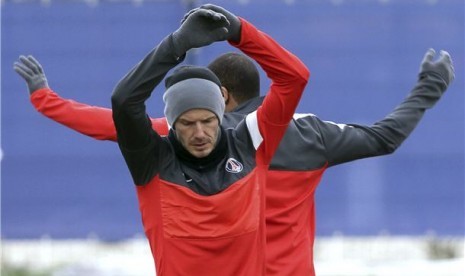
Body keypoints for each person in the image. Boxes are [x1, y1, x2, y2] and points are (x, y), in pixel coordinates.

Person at [15, 6, 454, 276]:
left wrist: (45, 99)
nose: (200, 130)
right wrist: (427, 90)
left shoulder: (179, 135)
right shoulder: (299, 131)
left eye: (206, 117)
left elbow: (107, 117)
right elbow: (384, 137)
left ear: (220, 98)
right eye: (192, 121)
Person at [15, 6, 310, 276]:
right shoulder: (152, 156)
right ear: (172, 123)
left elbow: (294, 77)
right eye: (186, 123)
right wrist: (175, 45)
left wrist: (239, 31)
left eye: (208, 121)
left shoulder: (252, 141)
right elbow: (123, 102)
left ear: (221, 112)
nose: (199, 133)